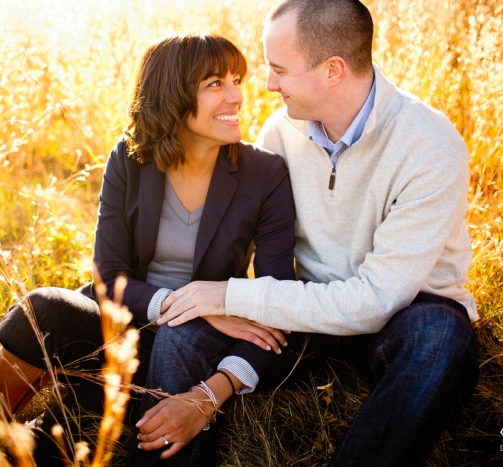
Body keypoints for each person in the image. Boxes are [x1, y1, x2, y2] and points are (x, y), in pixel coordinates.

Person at [0, 33, 295, 467]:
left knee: (178, 337)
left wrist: (216, 387)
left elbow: (277, 299)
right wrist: (185, 301)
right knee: (42, 309)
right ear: (174, 95)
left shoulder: (265, 173)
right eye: (215, 84)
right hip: (122, 329)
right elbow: (108, 276)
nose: (237, 96)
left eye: (236, 80)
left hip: (195, 345)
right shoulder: (130, 159)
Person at [155, 1, 480, 466]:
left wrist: (230, 295)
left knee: (439, 338)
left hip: (403, 316)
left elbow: (375, 300)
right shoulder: (280, 133)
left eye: (279, 70)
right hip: (304, 311)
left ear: (333, 71)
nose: (267, 85)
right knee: (185, 334)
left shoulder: (429, 145)